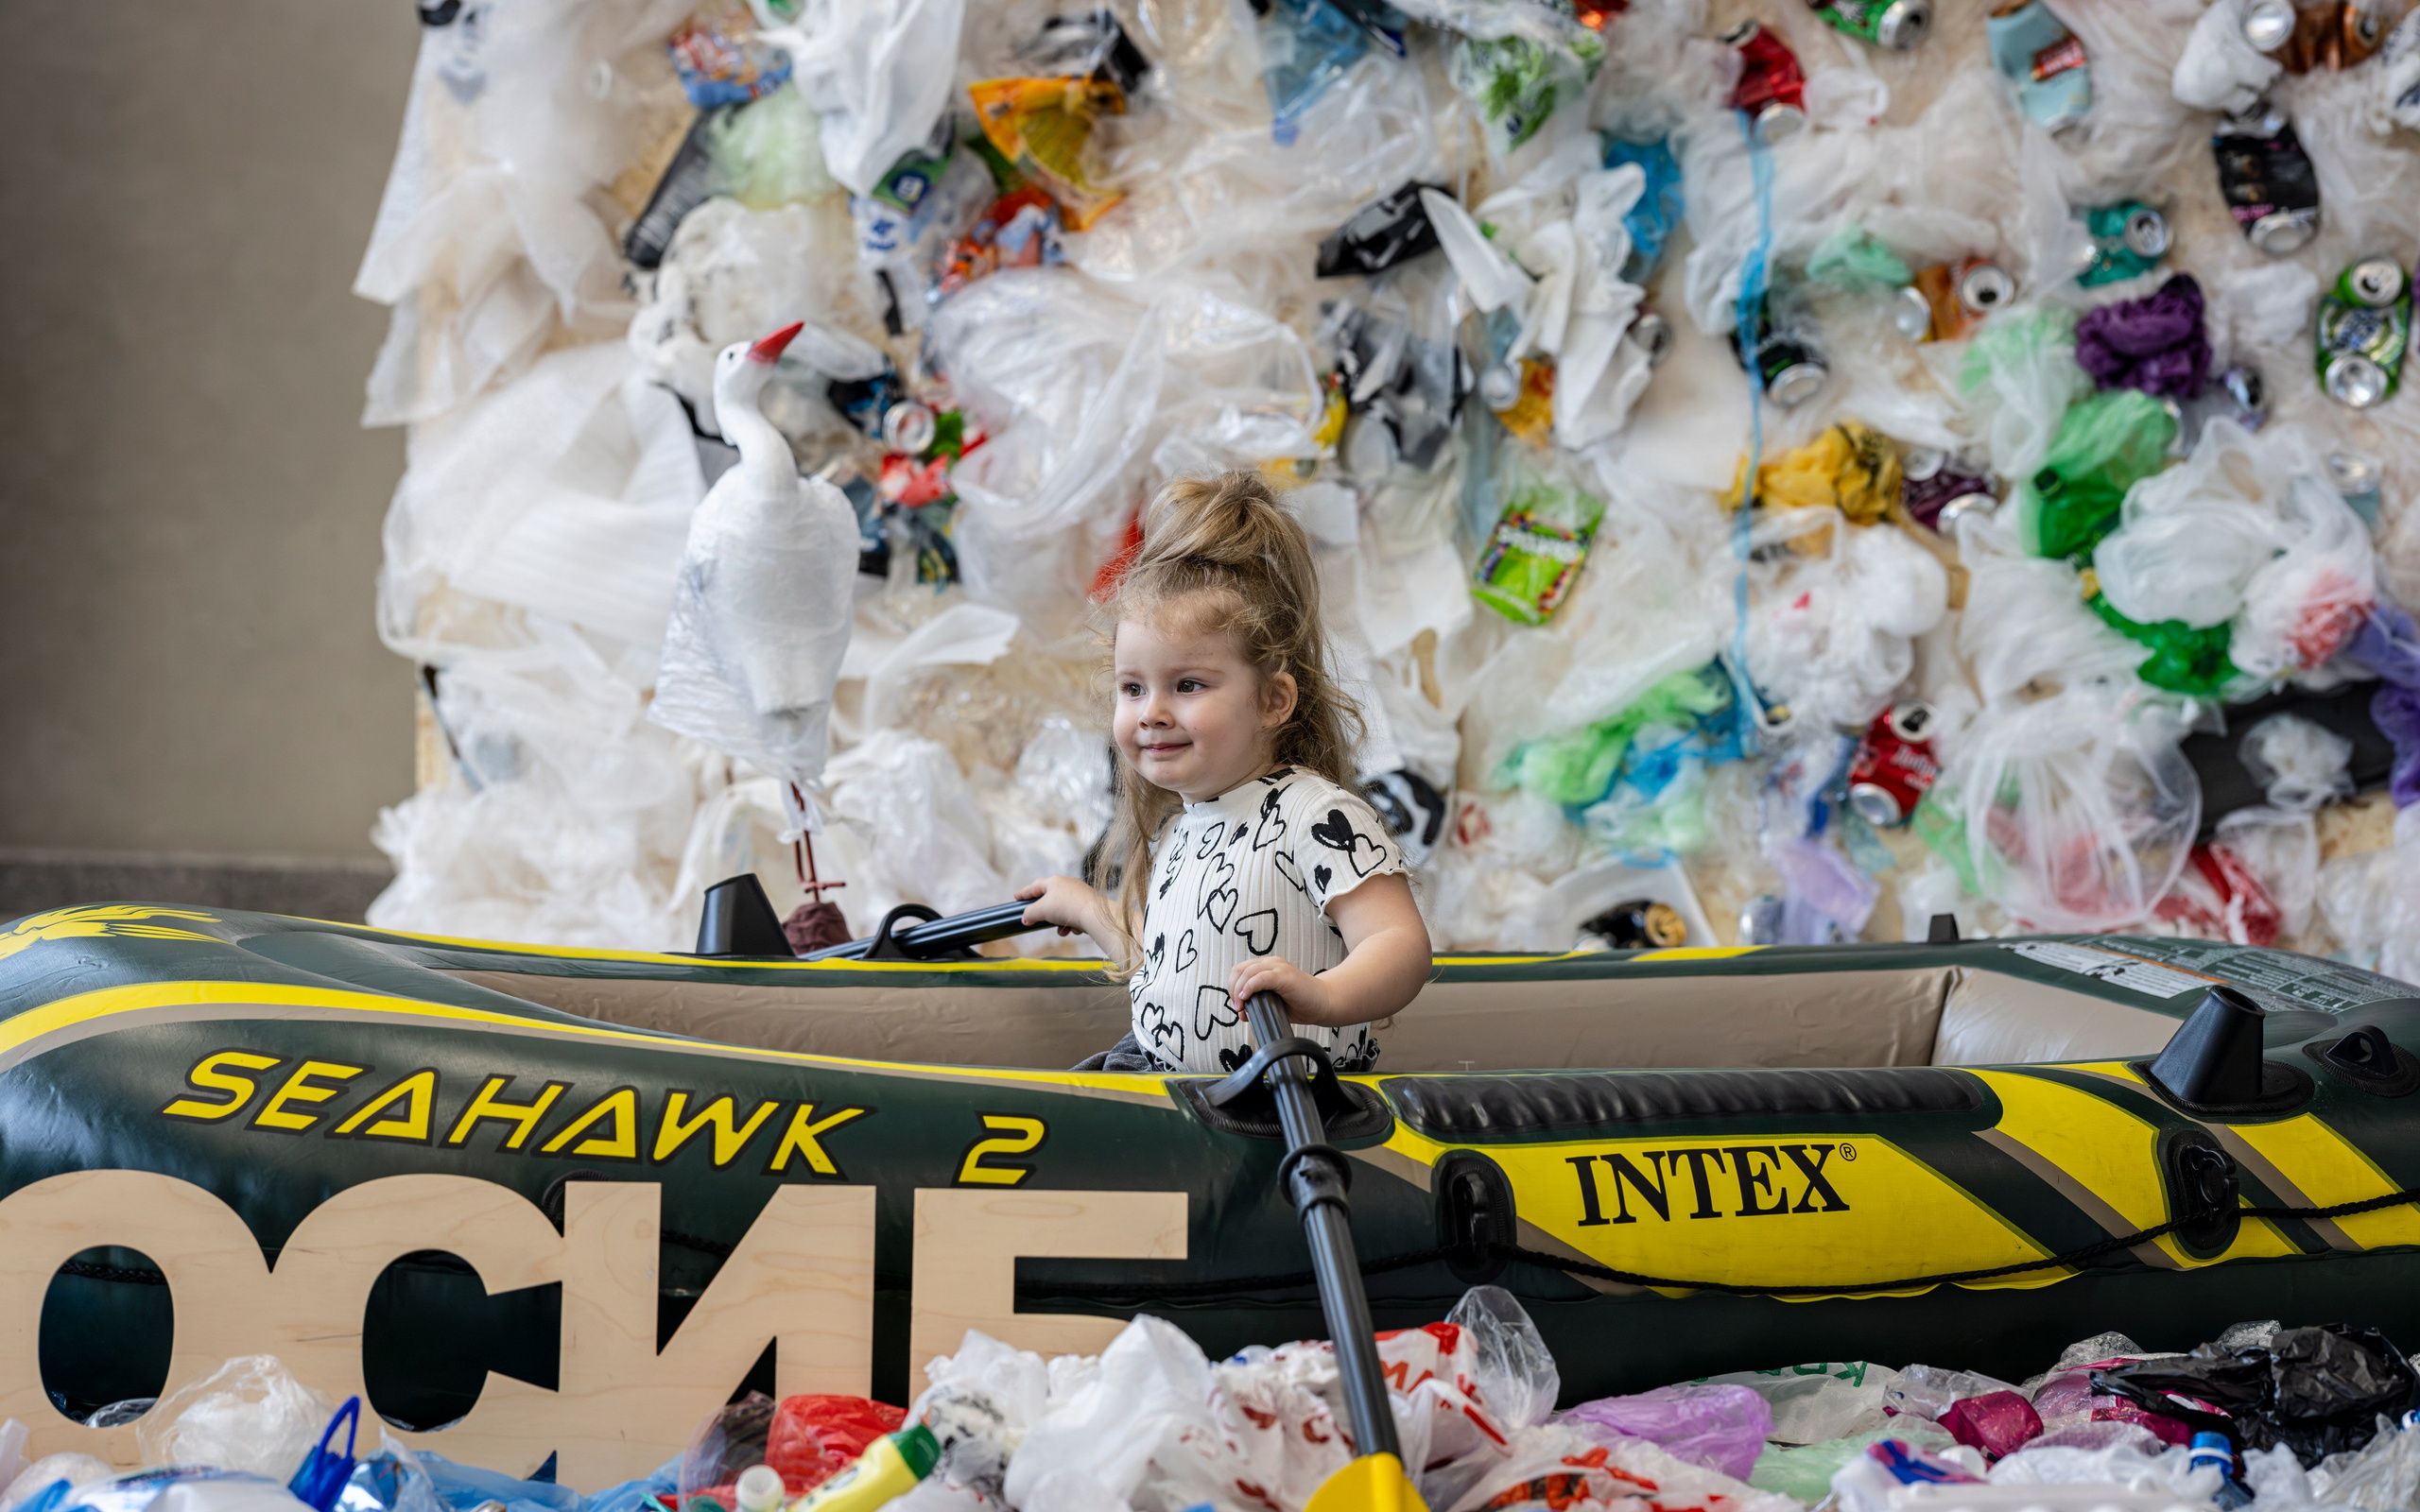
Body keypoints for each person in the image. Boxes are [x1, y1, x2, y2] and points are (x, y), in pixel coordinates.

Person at [1017, 471, 1433, 1074]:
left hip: (1286, 1106)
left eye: (1187, 685)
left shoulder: (1314, 816)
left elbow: (1399, 944)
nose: (1152, 712)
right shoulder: (1181, 829)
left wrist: (1322, 997)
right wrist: (1087, 908)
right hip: (1172, 1086)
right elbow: (1171, 963)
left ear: (1272, 701)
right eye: (1132, 688)